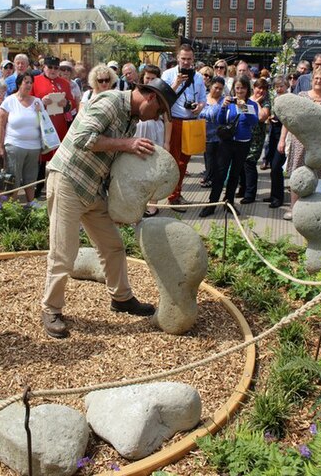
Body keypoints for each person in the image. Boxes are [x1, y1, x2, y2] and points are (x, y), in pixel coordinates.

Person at [41, 78, 177, 338]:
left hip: (93, 188)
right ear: (150, 98)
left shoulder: (132, 119)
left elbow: (112, 160)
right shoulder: (111, 101)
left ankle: (121, 298)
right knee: (63, 253)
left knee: (113, 246)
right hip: (69, 180)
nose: (157, 118)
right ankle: (51, 309)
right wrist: (127, 144)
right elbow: (82, 137)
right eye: (160, 111)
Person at [279, 67, 321, 220]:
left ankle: (314, 213)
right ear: (311, 81)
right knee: (298, 175)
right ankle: (294, 210)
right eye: (316, 79)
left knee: (318, 176)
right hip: (300, 144)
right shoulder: (302, 96)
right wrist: (282, 139)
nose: (318, 81)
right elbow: (288, 120)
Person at [199, 75, 259, 217]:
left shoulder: (252, 104)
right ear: (233, 89)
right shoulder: (228, 102)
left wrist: (243, 106)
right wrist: (223, 107)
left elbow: (254, 122)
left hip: (242, 144)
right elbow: (220, 121)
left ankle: (229, 202)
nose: (239, 91)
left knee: (235, 174)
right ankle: (212, 204)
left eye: (242, 88)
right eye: (237, 88)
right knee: (220, 174)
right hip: (226, 143)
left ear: (247, 89)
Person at [161, 43, 206, 211]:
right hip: (174, 121)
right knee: (174, 161)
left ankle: (177, 193)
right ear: (178, 58)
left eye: (189, 59)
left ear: (193, 59)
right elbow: (163, 97)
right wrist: (176, 83)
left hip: (191, 121)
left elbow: (203, 98)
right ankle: (172, 197)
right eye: (183, 59)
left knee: (184, 162)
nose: (186, 62)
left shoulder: (199, 77)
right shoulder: (168, 74)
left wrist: (200, 106)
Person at [31, 56, 77, 198]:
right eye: (50, 67)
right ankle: (37, 189)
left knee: (58, 158)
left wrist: (66, 103)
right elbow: (28, 100)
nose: (53, 70)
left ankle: (57, 187)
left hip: (59, 125)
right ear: (44, 67)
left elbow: (72, 103)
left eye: (56, 68)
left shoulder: (64, 83)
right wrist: (40, 101)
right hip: (41, 125)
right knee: (41, 159)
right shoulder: (35, 80)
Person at [0, 73, 42, 206]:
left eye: (30, 82)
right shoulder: (9, 101)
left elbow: (44, 124)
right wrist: (0, 147)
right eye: (26, 82)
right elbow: (1, 125)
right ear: (19, 84)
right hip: (15, 145)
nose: (29, 85)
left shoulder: (37, 102)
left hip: (34, 147)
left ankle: (31, 203)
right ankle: (12, 205)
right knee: (13, 178)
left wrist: (40, 112)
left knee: (31, 177)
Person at [135, 65, 172, 217]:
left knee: (153, 169)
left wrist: (167, 142)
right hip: (139, 131)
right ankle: (138, 203)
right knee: (138, 168)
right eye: (147, 78)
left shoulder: (161, 95)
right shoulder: (138, 93)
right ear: (143, 78)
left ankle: (152, 204)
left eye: (153, 78)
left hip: (156, 131)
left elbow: (168, 120)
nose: (150, 81)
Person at [238, 78, 271, 204]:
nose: (261, 91)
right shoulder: (247, 98)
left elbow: (261, 117)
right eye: (258, 88)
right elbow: (242, 112)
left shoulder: (266, 102)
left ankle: (250, 194)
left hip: (256, 139)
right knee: (240, 163)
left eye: (264, 88)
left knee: (250, 163)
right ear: (254, 88)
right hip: (243, 135)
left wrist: (256, 103)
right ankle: (243, 188)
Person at [262, 76, 289, 208]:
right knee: (273, 166)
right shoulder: (275, 98)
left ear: (286, 86)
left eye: (281, 86)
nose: (279, 89)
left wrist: (282, 140)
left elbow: (288, 120)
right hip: (273, 134)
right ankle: (274, 194)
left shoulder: (289, 99)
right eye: (276, 86)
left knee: (277, 167)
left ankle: (279, 198)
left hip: (283, 137)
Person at [199, 76, 225, 188]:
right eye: (216, 87)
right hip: (203, 133)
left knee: (214, 158)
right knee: (207, 157)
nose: (218, 90)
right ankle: (209, 176)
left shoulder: (224, 101)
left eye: (220, 88)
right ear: (210, 86)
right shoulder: (203, 98)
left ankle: (210, 178)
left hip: (219, 135)